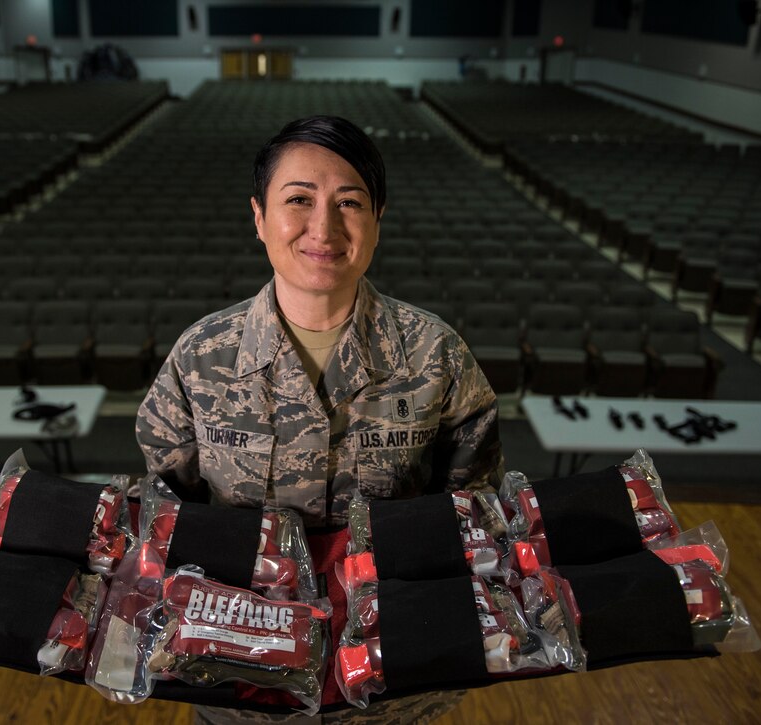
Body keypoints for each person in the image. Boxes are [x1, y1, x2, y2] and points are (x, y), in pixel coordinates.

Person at [136, 115, 503, 722]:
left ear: (378, 219)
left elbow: (474, 513)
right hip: (242, 684)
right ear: (259, 217)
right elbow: (166, 515)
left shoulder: (436, 355)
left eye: (349, 203)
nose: (323, 228)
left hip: (395, 690)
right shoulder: (200, 357)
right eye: (299, 200)